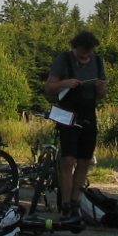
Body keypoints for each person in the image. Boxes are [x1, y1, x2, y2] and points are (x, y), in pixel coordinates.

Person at [44, 30, 107, 216]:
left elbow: (102, 96)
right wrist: (64, 83)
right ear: (75, 48)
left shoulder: (98, 61)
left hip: (88, 114)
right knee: (68, 160)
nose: (85, 56)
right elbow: (49, 88)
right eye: (81, 54)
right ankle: (65, 203)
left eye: (88, 53)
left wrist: (101, 88)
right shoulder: (63, 60)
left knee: (85, 160)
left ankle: (75, 201)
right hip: (67, 114)